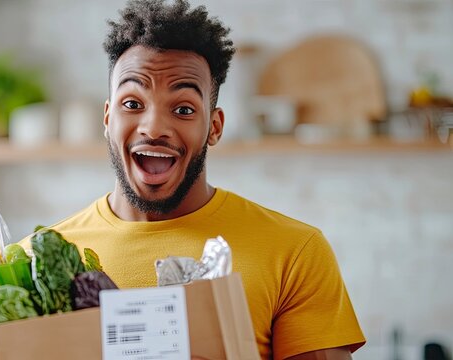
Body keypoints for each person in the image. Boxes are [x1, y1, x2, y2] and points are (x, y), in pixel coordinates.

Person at [21, 0, 365, 359]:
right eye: (132, 104)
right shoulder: (34, 264)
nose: (154, 128)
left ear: (214, 127)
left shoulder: (295, 252)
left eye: (183, 109)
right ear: (107, 119)